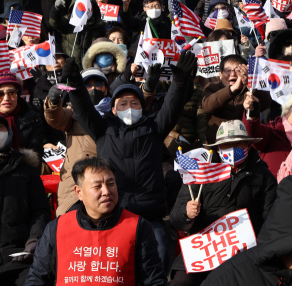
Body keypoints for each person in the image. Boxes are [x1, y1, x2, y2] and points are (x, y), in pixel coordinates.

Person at [61, 51, 198, 270]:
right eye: (123, 104)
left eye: (134, 103)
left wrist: (180, 80)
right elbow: (84, 108)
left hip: (149, 215)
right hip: (113, 214)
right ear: (113, 109)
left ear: (143, 108)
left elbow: (172, 106)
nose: (129, 107)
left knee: (159, 258)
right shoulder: (102, 129)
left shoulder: (154, 129)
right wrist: (76, 83)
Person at [25, 157, 167, 286]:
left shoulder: (137, 226)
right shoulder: (57, 228)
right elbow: (37, 278)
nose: (106, 191)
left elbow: (154, 280)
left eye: (111, 184)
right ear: (79, 192)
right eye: (97, 186)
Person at [169, 120, 277, 285]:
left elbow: (270, 220)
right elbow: (175, 218)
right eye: (226, 145)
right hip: (202, 250)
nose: (232, 149)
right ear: (218, 148)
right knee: (181, 282)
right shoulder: (200, 172)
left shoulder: (264, 176)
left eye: (237, 144)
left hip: (243, 253)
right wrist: (186, 213)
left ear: (248, 145)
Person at [0, 113, 50, 286]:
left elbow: (40, 211)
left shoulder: (26, 170)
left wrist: (34, 241)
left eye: (0, 128)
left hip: (17, 257)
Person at [44, 68, 111, 216]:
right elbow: (56, 118)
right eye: (87, 85)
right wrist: (54, 102)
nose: (93, 88)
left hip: (108, 186)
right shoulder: (72, 113)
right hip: (76, 189)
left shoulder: (116, 111)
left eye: (98, 83)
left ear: (106, 88)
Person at [0, 71, 46, 157]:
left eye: (11, 93)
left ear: (17, 95)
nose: (6, 98)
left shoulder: (32, 118)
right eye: (0, 94)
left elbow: (37, 153)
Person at [202, 54, 272, 145]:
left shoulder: (250, 88)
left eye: (238, 70)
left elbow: (266, 103)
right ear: (220, 74)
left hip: (244, 146)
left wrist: (249, 84)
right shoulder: (212, 87)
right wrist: (233, 88)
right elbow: (207, 106)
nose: (233, 74)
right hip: (217, 146)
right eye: (228, 70)